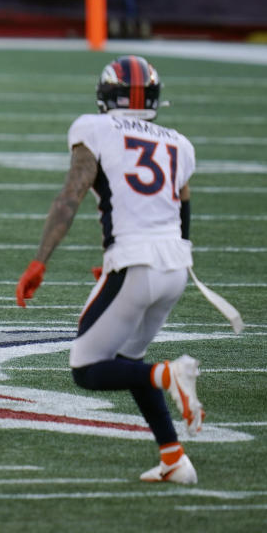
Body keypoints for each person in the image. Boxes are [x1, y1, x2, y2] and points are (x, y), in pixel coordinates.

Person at [15, 55, 204, 484]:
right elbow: (183, 203)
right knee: (127, 358)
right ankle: (174, 458)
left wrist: (40, 260)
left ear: (106, 96)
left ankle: (169, 374)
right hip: (173, 268)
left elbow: (70, 196)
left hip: (136, 264)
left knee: (87, 368)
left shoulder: (94, 128)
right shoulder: (179, 142)